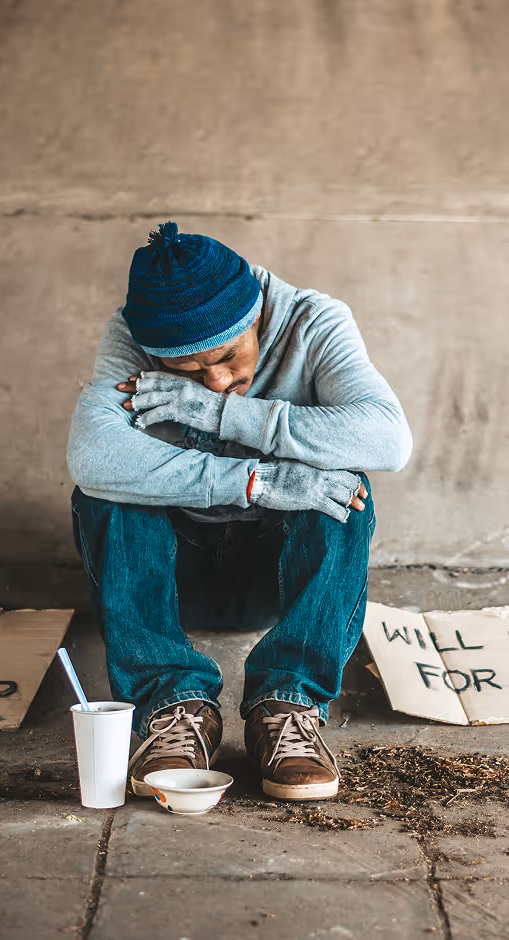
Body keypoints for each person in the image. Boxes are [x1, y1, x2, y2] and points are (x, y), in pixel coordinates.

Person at [67, 221, 412, 801]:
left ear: (258, 315)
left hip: (272, 577)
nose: (219, 380)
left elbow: (389, 440)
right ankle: (173, 704)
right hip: (174, 576)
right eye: (187, 371)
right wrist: (258, 480)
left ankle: (288, 704)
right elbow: (92, 454)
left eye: (228, 356)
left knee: (341, 487)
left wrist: (222, 416)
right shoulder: (132, 333)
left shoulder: (314, 320)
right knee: (105, 493)